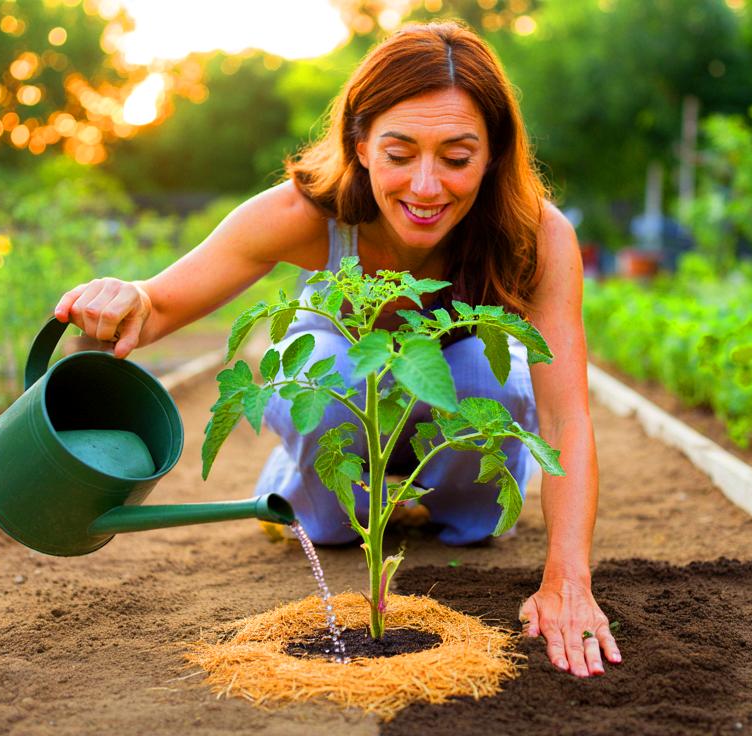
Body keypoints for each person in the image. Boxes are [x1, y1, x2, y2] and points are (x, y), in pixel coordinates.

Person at [54, 21, 621, 678]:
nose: (427, 187)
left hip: (457, 375)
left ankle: (461, 501)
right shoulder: (306, 213)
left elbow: (564, 417)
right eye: (400, 154)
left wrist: (568, 580)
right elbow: (157, 306)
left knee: (486, 404)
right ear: (360, 144)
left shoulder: (536, 234)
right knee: (333, 392)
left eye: (457, 158)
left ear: (492, 154)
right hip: (344, 366)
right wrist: (117, 300)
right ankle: (303, 493)